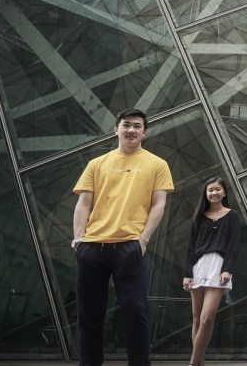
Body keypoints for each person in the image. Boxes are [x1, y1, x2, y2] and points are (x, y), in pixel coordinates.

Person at [72, 108, 174, 366]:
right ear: (116, 129)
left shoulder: (157, 164)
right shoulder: (97, 164)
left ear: (144, 132)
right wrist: (78, 239)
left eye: (137, 126)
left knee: (134, 310)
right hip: (92, 247)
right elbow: (84, 203)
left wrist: (144, 240)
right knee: (89, 314)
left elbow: (158, 204)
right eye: (126, 125)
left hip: (130, 247)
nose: (131, 130)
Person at [183, 176, 242, 366]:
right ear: (205, 193)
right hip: (198, 266)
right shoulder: (199, 217)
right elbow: (190, 247)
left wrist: (227, 270)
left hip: (219, 266)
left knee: (207, 317)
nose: (214, 193)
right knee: (196, 318)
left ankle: (193, 362)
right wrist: (187, 273)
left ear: (224, 192)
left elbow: (234, 246)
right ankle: (200, 362)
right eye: (210, 190)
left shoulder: (232, 215)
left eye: (217, 189)